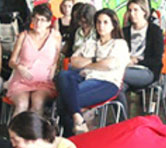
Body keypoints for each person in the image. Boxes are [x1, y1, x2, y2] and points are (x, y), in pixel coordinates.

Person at [55, 8, 130, 136]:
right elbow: (74, 62)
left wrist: (87, 63)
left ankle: (73, 136)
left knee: (63, 101)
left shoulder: (119, 44)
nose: (101, 26)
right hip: (85, 78)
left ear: (113, 25)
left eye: (105, 22)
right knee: (63, 75)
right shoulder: (90, 43)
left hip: (107, 82)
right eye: (98, 22)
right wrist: (96, 61)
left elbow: (110, 64)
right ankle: (79, 120)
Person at [6, 3, 61, 117]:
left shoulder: (55, 36)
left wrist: (54, 69)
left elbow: (57, 58)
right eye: (35, 19)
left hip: (44, 82)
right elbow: (11, 61)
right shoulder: (23, 36)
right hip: (22, 81)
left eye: (42, 20)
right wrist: (19, 67)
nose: (38, 23)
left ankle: (34, 128)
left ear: (48, 23)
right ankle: (15, 128)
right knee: (22, 104)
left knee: (38, 102)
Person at [122, 0, 164, 91]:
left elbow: (157, 60)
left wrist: (137, 61)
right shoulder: (125, 31)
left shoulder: (154, 31)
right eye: (130, 10)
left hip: (147, 70)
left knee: (115, 75)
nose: (132, 14)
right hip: (126, 68)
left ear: (144, 11)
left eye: (135, 10)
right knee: (118, 87)